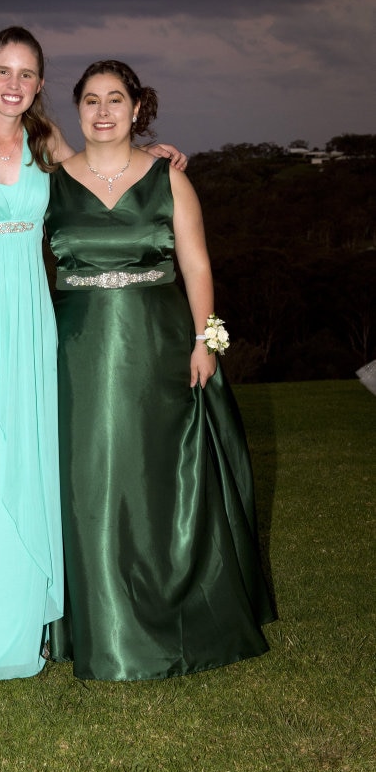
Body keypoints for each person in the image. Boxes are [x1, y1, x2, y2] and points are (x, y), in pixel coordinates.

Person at [0, 27, 186, 680]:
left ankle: (24, 623)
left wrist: (152, 156)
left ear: (38, 83)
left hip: (33, 321)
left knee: (29, 463)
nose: (13, 84)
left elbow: (99, 166)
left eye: (26, 74)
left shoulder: (43, 144)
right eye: (2, 70)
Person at [44, 60, 275, 679]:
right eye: (90, 100)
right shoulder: (49, 182)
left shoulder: (169, 179)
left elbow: (197, 266)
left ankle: (179, 609)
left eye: (115, 99)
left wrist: (208, 341)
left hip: (161, 343)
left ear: (137, 107)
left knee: (158, 477)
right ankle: (98, 622)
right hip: (79, 350)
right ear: (78, 109)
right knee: (90, 481)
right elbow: (7, 237)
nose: (102, 111)